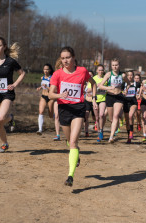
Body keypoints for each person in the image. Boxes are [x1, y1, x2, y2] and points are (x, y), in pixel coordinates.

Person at [49, 46, 97, 187]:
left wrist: (93, 98)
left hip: (78, 109)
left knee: (74, 142)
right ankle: (75, 153)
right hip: (64, 108)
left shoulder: (82, 71)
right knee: (70, 141)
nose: (65, 60)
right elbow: (50, 94)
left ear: (73, 57)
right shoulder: (57, 74)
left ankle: (70, 176)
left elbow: (93, 84)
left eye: (68, 57)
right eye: (63, 58)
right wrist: (59, 95)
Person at [98, 58, 130, 143]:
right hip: (109, 96)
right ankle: (114, 130)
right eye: (113, 65)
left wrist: (126, 90)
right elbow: (100, 86)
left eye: (116, 65)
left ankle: (111, 137)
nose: (115, 67)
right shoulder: (108, 74)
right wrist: (109, 87)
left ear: (119, 66)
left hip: (119, 96)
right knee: (112, 118)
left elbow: (129, 83)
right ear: (111, 66)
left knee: (116, 116)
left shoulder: (122, 75)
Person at [88, 64, 107, 142]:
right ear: (96, 71)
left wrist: (103, 87)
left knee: (101, 115)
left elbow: (108, 88)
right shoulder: (93, 78)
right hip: (95, 99)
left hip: (103, 99)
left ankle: (101, 130)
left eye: (102, 70)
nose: (100, 71)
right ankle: (99, 132)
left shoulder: (105, 78)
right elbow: (88, 90)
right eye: (99, 70)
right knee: (97, 118)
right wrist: (96, 86)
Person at [36, 64, 54, 135]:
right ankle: (40, 129)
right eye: (44, 69)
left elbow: (53, 89)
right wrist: (40, 87)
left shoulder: (52, 78)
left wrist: (47, 86)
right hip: (43, 96)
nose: (45, 71)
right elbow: (43, 84)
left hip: (50, 97)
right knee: (41, 111)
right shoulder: (42, 77)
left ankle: (57, 116)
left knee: (51, 115)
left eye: (47, 69)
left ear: (50, 70)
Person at [122, 70, 140, 143]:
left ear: (133, 76)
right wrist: (123, 93)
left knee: (130, 115)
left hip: (133, 102)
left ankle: (132, 132)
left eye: (131, 75)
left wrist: (139, 94)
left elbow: (140, 90)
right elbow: (121, 92)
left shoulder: (137, 84)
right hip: (126, 102)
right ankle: (129, 136)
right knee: (127, 121)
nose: (130, 76)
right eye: (128, 75)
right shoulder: (124, 84)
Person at [52, 58, 63, 141]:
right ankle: (57, 134)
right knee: (57, 116)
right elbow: (52, 89)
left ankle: (69, 133)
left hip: (67, 99)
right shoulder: (55, 75)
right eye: (59, 67)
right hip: (57, 97)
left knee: (65, 117)